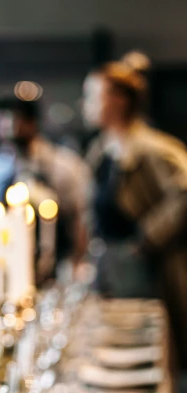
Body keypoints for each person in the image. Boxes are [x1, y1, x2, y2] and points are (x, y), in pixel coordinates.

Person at [83, 58, 187, 367]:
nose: (86, 104)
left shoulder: (154, 148)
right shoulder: (102, 149)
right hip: (111, 265)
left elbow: (184, 193)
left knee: (152, 353)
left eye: (93, 95)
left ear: (118, 100)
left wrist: (147, 239)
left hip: (147, 270)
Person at [0, 96, 90, 265]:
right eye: (0, 119)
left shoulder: (64, 165)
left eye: (12, 118)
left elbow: (79, 216)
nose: (5, 126)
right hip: (6, 258)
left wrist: (78, 260)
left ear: (31, 122)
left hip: (57, 258)